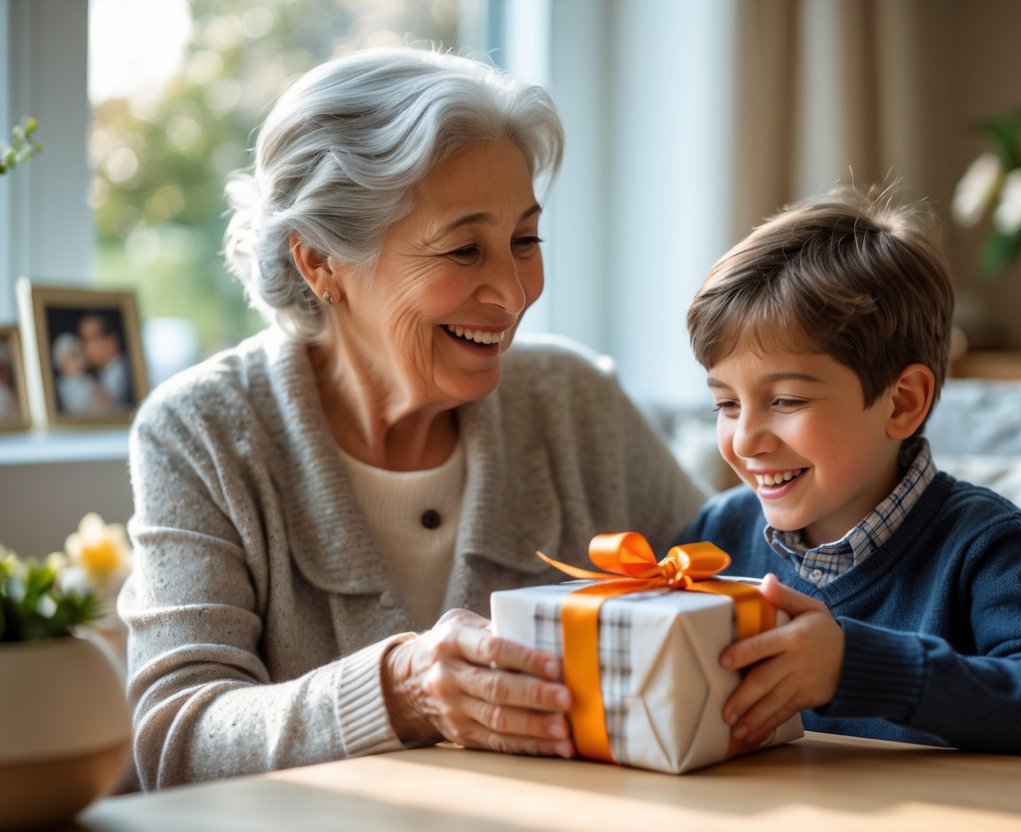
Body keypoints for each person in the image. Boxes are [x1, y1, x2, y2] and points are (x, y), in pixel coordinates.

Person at [119, 46, 707, 789]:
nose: (512, 291)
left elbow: (727, 576)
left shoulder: (571, 398)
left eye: (524, 240)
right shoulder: (202, 431)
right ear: (321, 262)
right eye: (464, 249)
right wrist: (397, 690)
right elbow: (176, 740)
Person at [677, 185, 1021, 762]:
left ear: (903, 402)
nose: (746, 439)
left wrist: (856, 667)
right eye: (726, 405)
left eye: (785, 401)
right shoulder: (719, 537)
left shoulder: (977, 542)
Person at [78, 312, 131, 407]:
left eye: (88, 339)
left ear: (111, 341)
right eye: (82, 341)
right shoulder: (99, 378)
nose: (83, 347)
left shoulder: (130, 375)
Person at [52, 331, 111, 414]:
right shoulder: (59, 387)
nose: (79, 360)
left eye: (80, 354)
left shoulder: (90, 380)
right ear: (61, 362)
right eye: (73, 357)